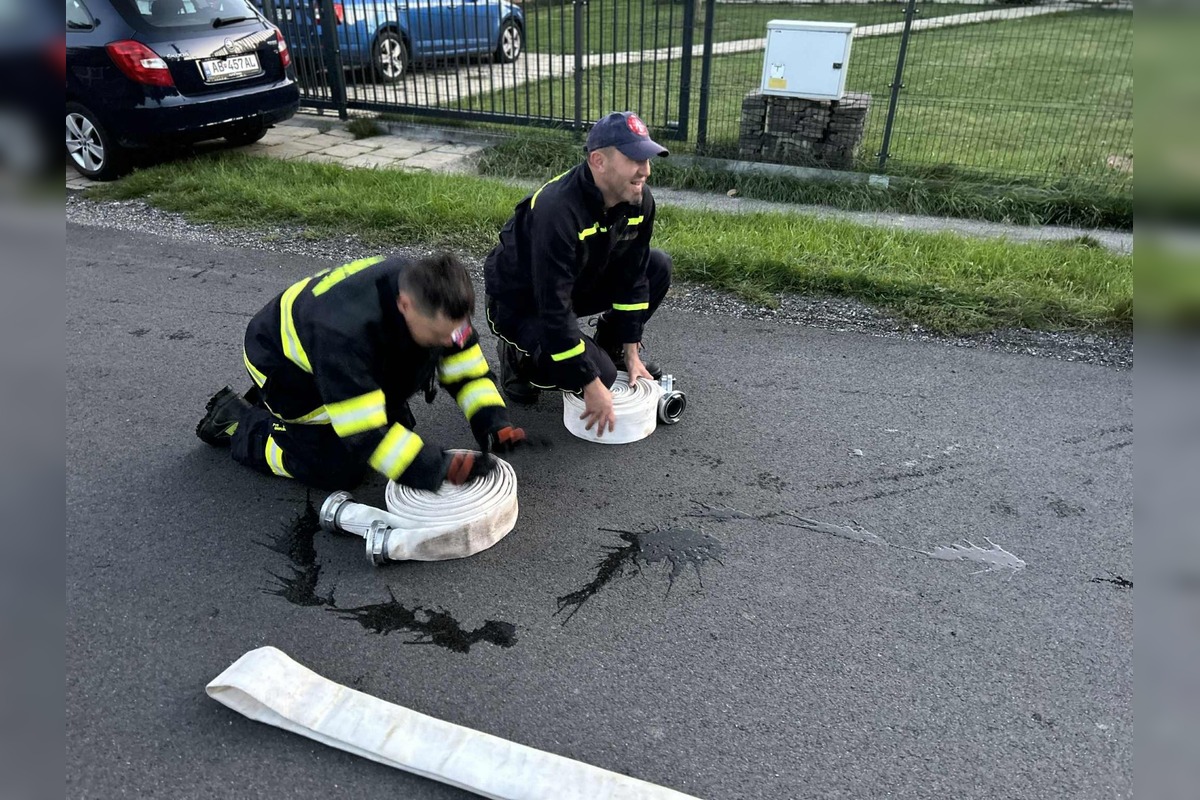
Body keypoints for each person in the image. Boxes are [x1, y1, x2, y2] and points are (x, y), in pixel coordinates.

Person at [195, 252, 529, 491]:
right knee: (337, 470)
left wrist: (493, 424)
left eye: (454, 333)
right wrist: (438, 468)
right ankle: (242, 423)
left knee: (402, 428)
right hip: (283, 366)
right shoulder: (343, 337)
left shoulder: (435, 297)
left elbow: (466, 369)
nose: (450, 342)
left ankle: (305, 409)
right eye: (440, 335)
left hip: (343, 349)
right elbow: (366, 433)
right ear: (405, 306)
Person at [484, 110, 673, 438]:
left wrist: (630, 350)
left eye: (648, 159)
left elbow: (634, 277)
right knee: (592, 373)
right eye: (634, 159)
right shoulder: (556, 210)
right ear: (598, 161)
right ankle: (518, 358)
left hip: (574, 283)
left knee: (657, 266)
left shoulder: (638, 200)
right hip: (522, 301)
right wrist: (589, 381)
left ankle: (609, 349)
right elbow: (554, 309)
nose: (646, 170)